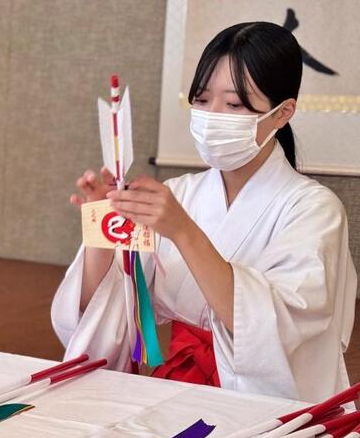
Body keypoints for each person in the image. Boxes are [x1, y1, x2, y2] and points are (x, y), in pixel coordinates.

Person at [51, 22, 356, 402]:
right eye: (202, 99)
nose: (213, 115)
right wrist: (102, 229)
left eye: (234, 104)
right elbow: (108, 311)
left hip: (266, 407)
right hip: (176, 388)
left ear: (282, 113)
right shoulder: (181, 194)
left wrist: (183, 231)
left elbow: (273, 330)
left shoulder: (314, 210)